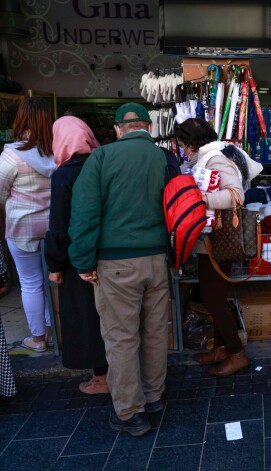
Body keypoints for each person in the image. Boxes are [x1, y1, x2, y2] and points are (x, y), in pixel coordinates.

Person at [68, 103, 174, 437]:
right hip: (157, 259)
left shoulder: (101, 158)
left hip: (115, 264)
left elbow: (85, 213)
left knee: (121, 337)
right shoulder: (165, 159)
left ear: (117, 130)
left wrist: (82, 261)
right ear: (149, 127)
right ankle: (154, 398)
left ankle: (130, 413)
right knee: (155, 332)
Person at [174, 118, 262, 377]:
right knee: (213, 295)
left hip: (218, 239)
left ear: (191, 144)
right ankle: (223, 348)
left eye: (182, 145)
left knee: (213, 299)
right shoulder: (212, 155)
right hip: (211, 240)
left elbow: (235, 195)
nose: (182, 151)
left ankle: (237, 354)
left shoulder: (215, 158)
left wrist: (197, 198)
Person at [45, 116, 109, 395]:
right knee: (110, 315)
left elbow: (59, 224)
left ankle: (101, 377)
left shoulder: (63, 174)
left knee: (85, 315)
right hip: (108, 252)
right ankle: (117, 371)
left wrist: (55, 263)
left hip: (76, 258)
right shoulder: (103, 165)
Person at [0, 97, 56, 353]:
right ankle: (54, 332)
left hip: (22, 228)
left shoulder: (11, 156)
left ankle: (39, 339)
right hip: (53, 227)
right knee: (52, 281)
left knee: (30, 283)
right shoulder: (58, 152)